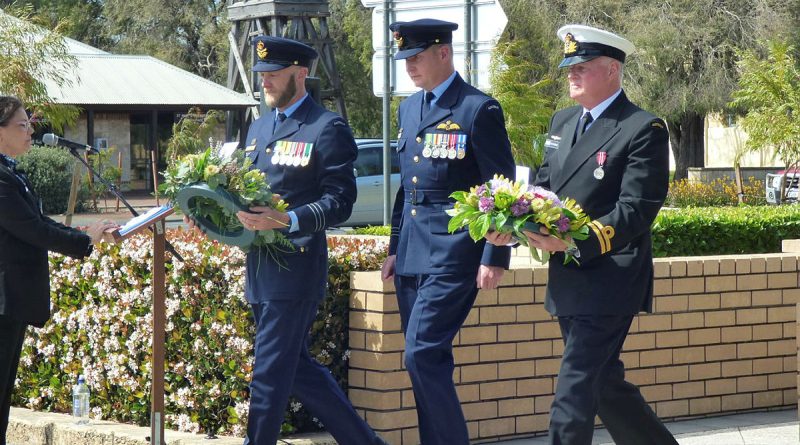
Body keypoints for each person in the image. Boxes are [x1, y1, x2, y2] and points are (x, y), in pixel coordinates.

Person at [184, 36, 386, 445]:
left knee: (270, 372)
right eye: (262, 76)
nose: (266, 83)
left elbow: (341, 200)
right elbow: (239, 190)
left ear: (301, 73)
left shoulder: (326, 127)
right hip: (259, 268)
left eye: (274, 75)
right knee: (297, 371)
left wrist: (288, 219)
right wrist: (207, 211)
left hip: (296, 266)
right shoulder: (258, 126)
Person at [488, 25, 678, 445]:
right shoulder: (562, 121)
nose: (571, 74)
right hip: (569, 277)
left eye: (583, 67)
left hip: (610, 274)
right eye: (569, 67)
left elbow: (636, 209)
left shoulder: (642, 128)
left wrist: (577, 241)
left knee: (574, 390)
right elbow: (542, 193)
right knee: (605, 388)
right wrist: (512, 229)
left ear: (612, 70)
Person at [379, 19, 516, 445]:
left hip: (457, 253)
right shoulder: (408, 108)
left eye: (416, 57)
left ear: (443, 53)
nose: (409, 67)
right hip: (413, 256)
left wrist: (496, 256)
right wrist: (394, 247)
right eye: (404, 59)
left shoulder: (477, 109)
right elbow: (409, 188)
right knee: (428, 362)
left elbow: (503, 189)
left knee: (420, 353)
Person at [0, 96, 117, 445]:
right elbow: (34, 232)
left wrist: (86, 235)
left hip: (12, 303)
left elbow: (36, 222)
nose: (30, 130)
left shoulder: (9, 173)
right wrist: (85, 242)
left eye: (29, 123)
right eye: (21, 125)